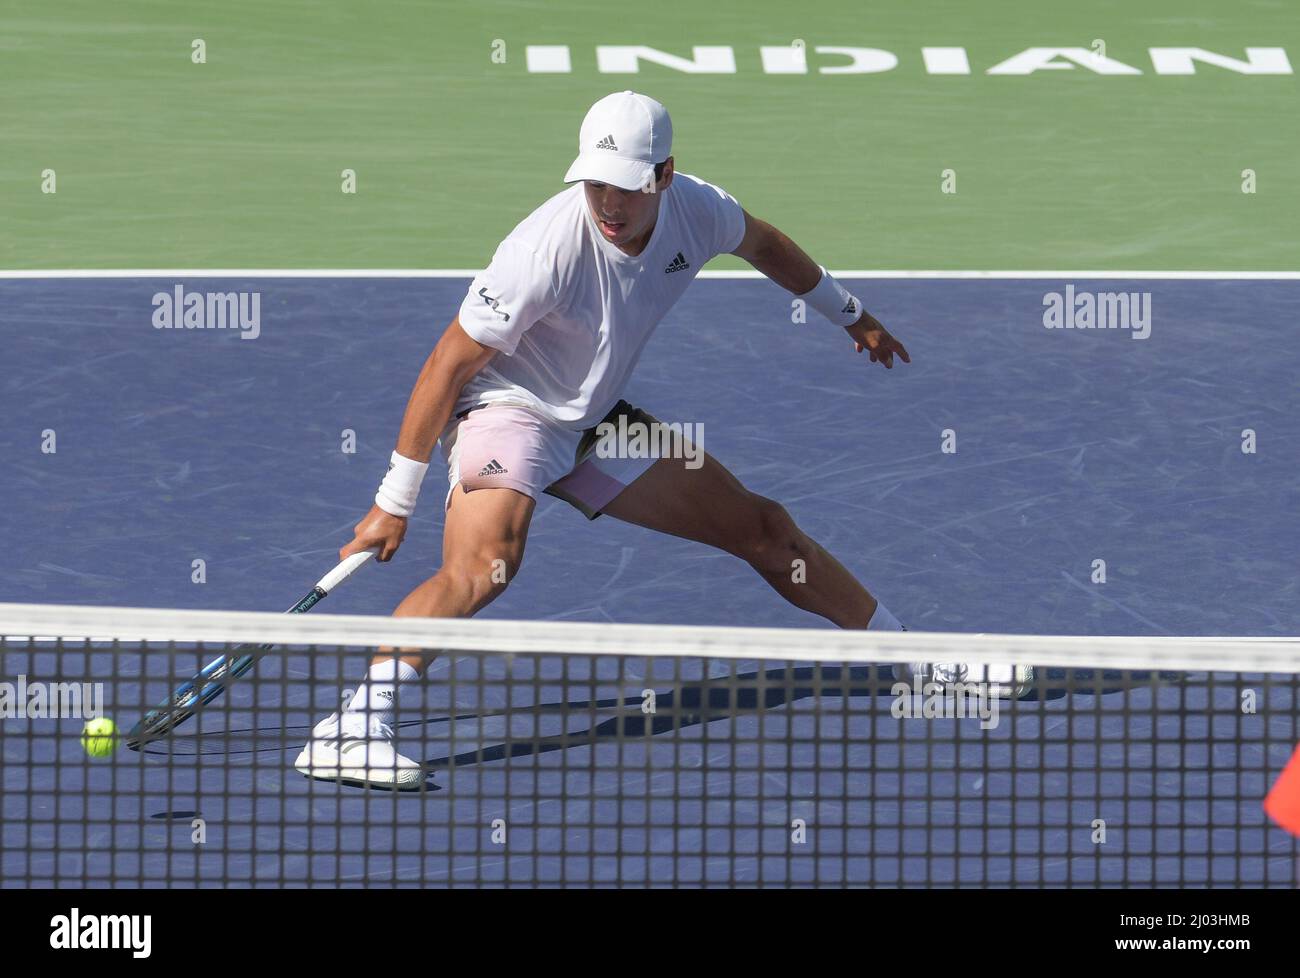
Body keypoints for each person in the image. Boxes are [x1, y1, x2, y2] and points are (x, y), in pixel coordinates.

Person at [295, 91, 1019, 789]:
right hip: (508, 412)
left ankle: (916, 666)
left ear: (664, 176)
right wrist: (395, 498)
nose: (609, 204)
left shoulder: (697, 211)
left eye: (628, 187)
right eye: (597, 184)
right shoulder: (541, 251)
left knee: (766, 531)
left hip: (591, 422)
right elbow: (449, 362)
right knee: (487, 565)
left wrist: (849, 313)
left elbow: (764, 244)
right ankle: (353, 727)